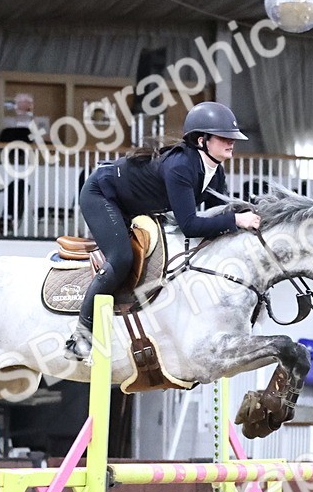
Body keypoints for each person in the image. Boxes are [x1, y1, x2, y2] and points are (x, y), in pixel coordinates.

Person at [63, 101, 262, 361]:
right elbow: (190, 225)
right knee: (121, 259)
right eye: (224, 137)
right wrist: (237, 219)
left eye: (232, 137)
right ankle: (80, 337)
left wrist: (248, 216)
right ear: (202, 141)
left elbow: (221, 214)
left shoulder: (215, 171)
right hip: (102, 194)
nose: (231, 142)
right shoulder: (181, 167)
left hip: (136, 204)